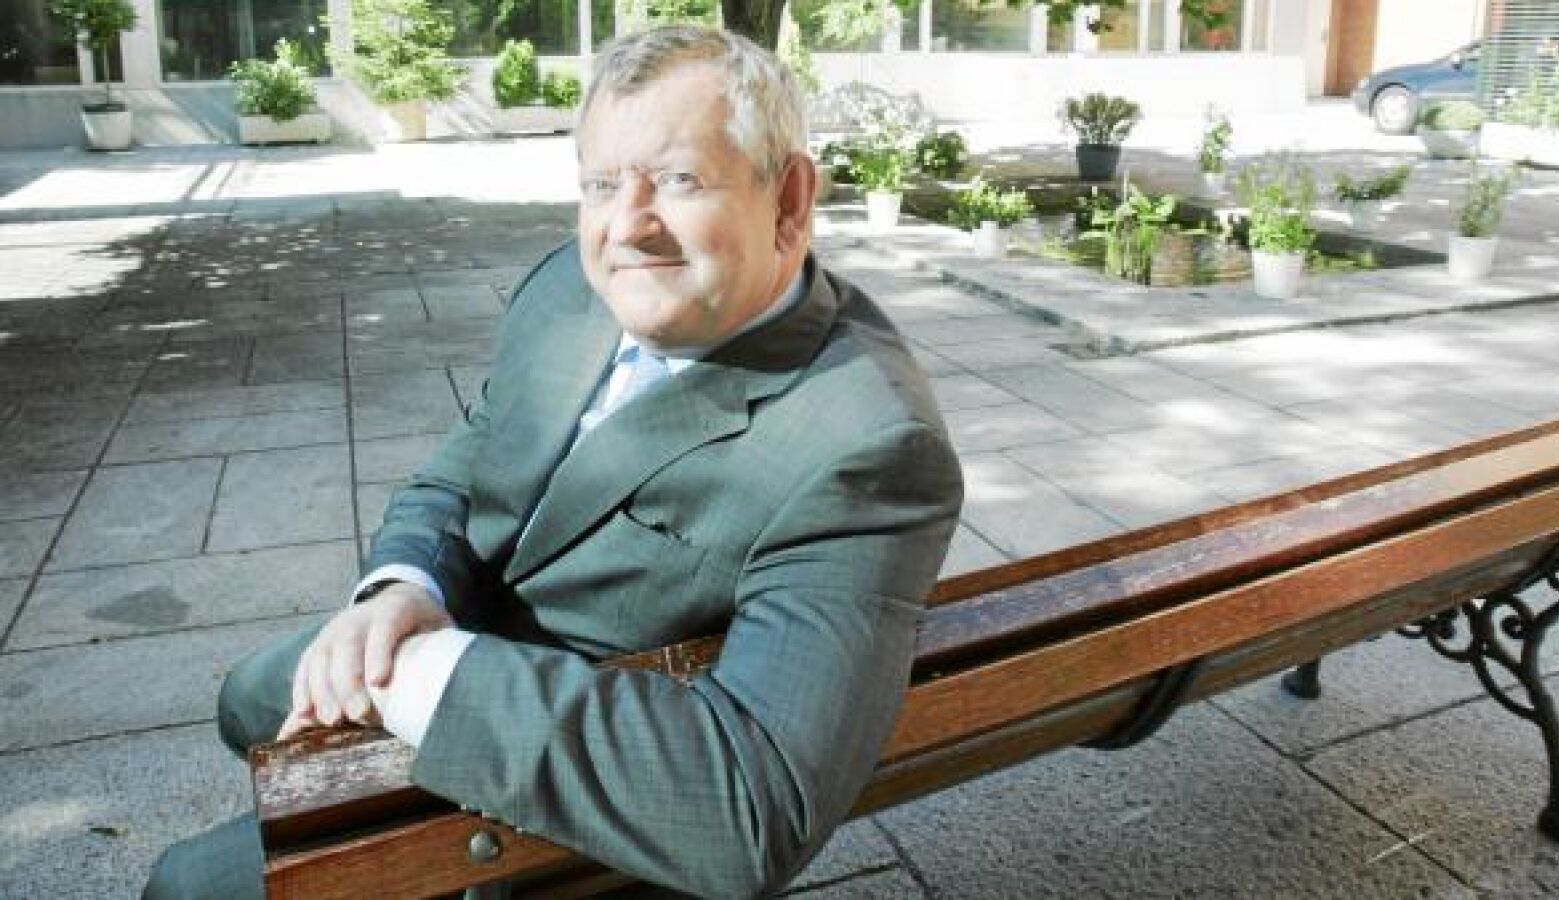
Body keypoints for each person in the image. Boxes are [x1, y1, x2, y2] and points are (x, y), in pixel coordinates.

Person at [146, 24, 962, 899]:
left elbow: (749, 808)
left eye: (679, 180)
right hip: (464, 633)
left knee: (186, 886)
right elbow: (467, 466)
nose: (626, 226)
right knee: (246, 698)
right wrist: (401, 590)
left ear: (790, 199)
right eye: (602, 184)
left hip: (564, 766)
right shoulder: (571, 291)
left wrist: (417, 673)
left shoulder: (868, 448)